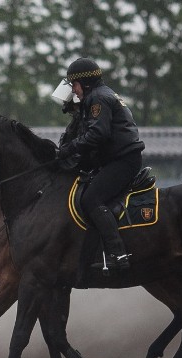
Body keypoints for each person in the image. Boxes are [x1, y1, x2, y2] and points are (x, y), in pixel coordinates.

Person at [56, 58, 145, 272]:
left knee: (91, 199)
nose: (74, 91)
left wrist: (69, 149)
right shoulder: (98, 95)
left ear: (84, 83)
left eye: (74, 85)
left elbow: (98, 134)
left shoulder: (97, 98)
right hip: (117, 159)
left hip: (123, 161)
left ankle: (117, 252)